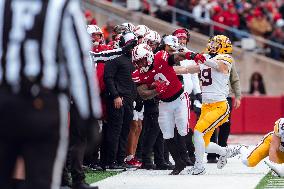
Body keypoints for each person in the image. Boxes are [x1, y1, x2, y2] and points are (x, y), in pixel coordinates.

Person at [0, 1, 101, 189]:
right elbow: (79, 63)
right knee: (42, 180)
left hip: (6, 100)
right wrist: (89, 114)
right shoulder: (62, 6)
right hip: (44, 103)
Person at [132, 41, 206, 175]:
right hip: (164, 103)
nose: (139, 64)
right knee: (167, 133)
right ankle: (179, 162)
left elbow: (178, 56)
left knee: (183, 129)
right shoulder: (139, 74)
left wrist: (192, 55)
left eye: (141, 60)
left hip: (180, 98)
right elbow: (143, 94)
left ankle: (189, 156)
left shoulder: (161, 57)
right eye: (137, 62)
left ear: (148, 56)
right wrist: (156, 91)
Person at [188, 35, 241, 175]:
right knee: (202, 144)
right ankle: (225, 151)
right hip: (206, 105)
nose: (212, 44)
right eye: (211, 42)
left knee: (198, 133)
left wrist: (202, 57)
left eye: (215, 43)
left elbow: (220, 67)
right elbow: (189, 69)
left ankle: (199, 167)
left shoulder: (226, 58)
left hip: (219, 105)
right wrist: (170, 69)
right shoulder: (207, 58)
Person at [103, 32, 138, 169]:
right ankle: (110, 161)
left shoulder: (133, 61)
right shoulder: (114, 60)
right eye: (131, 44)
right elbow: (108, 78)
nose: (133, 47)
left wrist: (137, 99)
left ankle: (119, 159)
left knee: (124, 131)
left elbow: (134, 82)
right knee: (115, 131)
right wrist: (115, 96)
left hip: (129, 100)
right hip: (118, 99)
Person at [207, 48, 242, 164]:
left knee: (224, 125)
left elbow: (234, 79)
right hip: (212, 96)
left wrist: (237, 96)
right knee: (211, 125)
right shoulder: (207, 58)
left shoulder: (226, 59)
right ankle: (212, 154)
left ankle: (222, 150)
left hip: (224, 96)